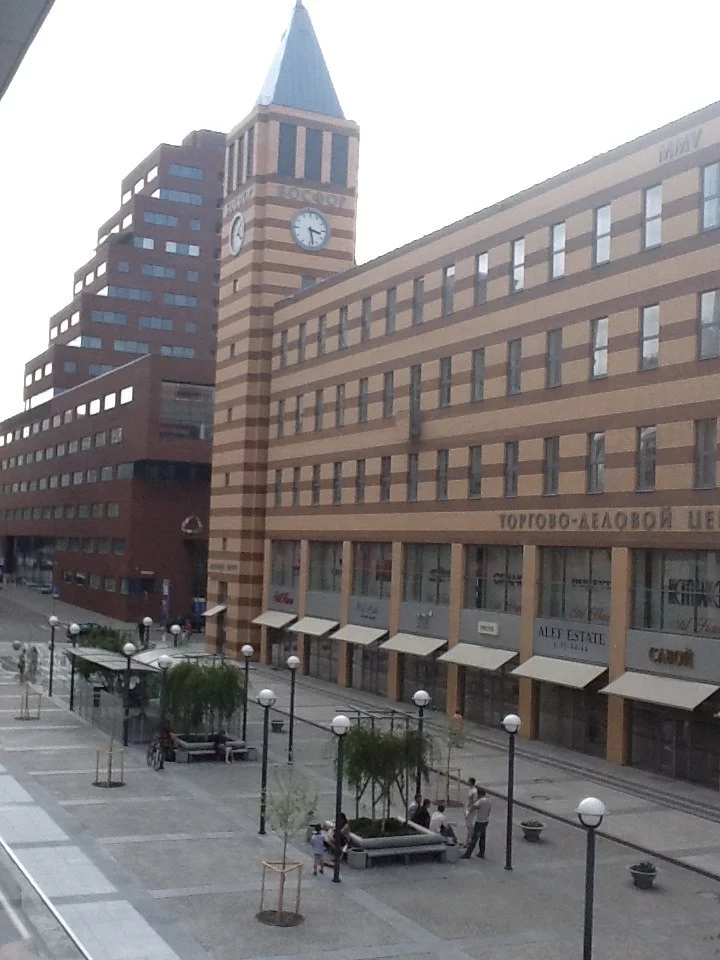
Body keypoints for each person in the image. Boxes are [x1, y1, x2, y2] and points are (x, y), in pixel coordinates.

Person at [461, 788, 491, 859]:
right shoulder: (488, 801)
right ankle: (481, 853)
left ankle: (468, 854)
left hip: (479, 822)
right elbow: (489, 811)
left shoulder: (480, 801)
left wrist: (468, 811)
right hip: (485, 821)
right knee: (482, 838)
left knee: (474, 838)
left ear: (480, 794)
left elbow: (473, 808)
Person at [465, 776, 479, 846]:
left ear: (471, 782)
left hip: (471, 809)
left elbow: (474, 801)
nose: (468, 782)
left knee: (470, 825)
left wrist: (471, 809)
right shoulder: (470, 789)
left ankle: (469, 840)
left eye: (469, 781)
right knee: (468, 825)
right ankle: (469, 839)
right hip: (468, 808)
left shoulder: (474, 791)